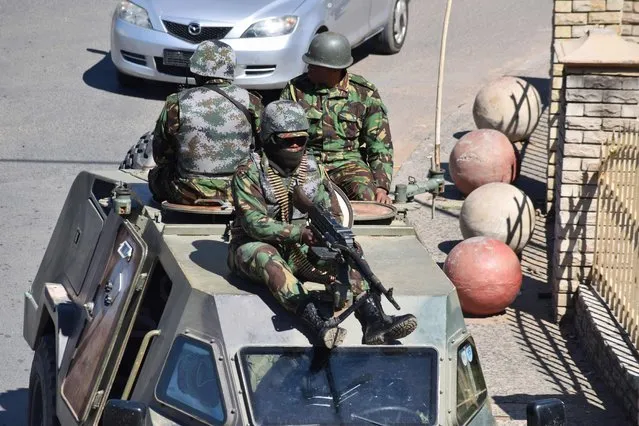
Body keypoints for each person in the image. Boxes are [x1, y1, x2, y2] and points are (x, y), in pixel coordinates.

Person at [228, 100, 416, 348]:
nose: (295, 145)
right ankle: (318, 325)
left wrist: (331, 235)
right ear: (269, 139)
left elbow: (331, 210)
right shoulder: (249, 172)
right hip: (253, 247)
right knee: (267, 257)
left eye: (301, 140)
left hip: (300, 249)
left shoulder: (313, 169)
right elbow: (254, 223)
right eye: (287, 140)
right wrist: (299, 233)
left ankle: (373, 319)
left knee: (349, 249)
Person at [280, 31, 394, 204]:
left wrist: (381, 186)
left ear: (333, 68)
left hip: (348, 164)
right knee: (292, 201)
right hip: (306, 164)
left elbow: (379, 143)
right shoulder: (295, 90)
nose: (308, 67)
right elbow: (277, 135)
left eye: (315, 65)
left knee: (367, 197)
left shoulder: (364, 93)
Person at [148, 40, 264, 205]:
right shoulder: (251, 101)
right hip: (240, 191)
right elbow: (264, 147)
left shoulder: (176, 102)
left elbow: (161, 156)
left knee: (156, 176)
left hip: (188, 192)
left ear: (197, 70)